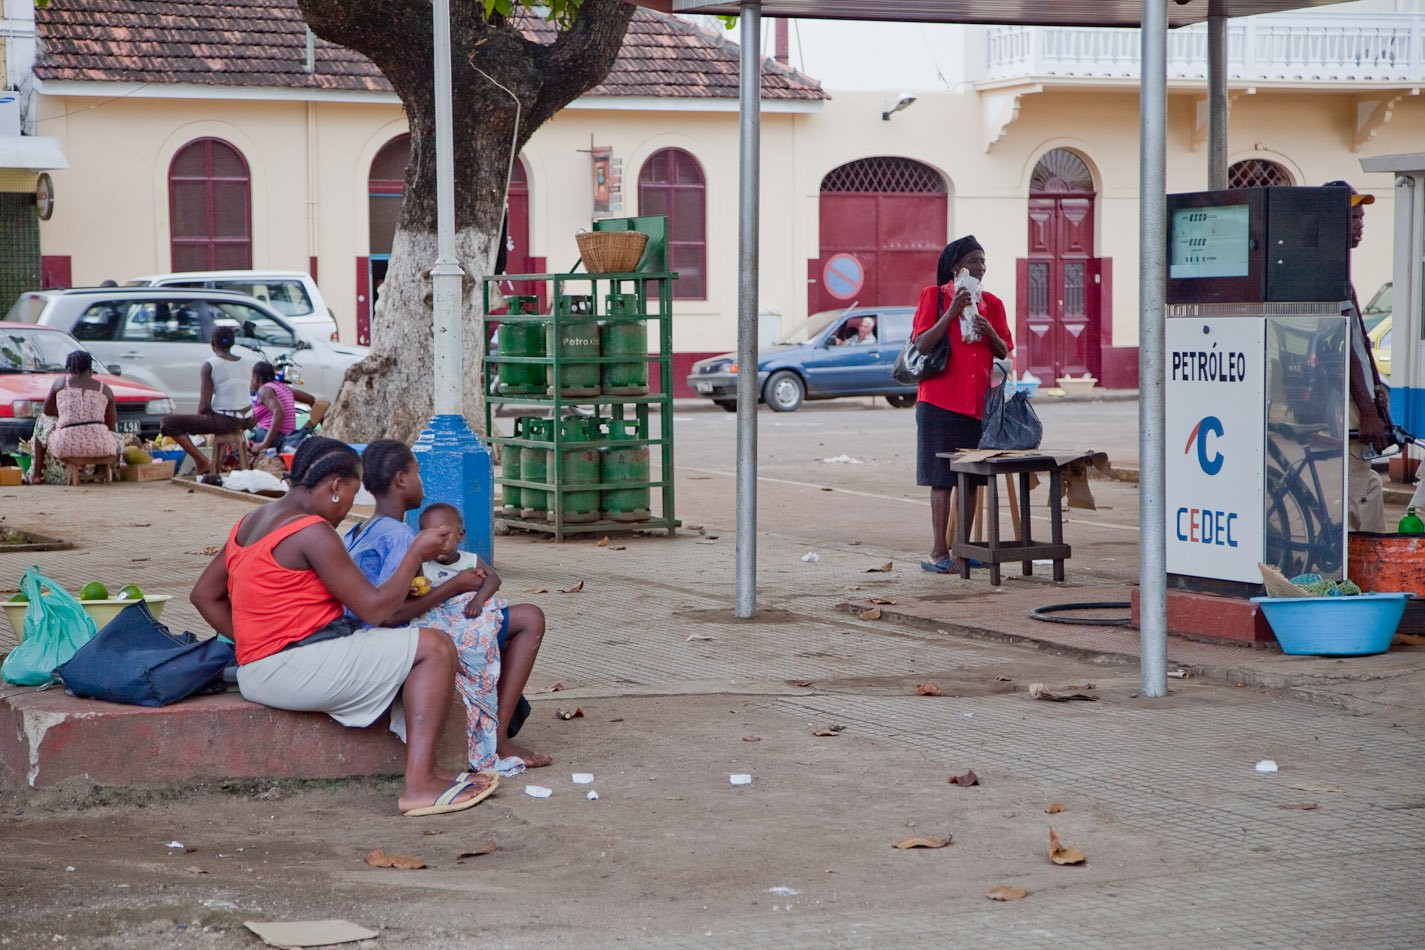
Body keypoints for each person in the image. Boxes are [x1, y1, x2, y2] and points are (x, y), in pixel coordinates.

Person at [189, 437, 496, 817]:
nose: (351, 505)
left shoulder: (250, 521)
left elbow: (203, 595)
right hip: (292, 668)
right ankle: (419, 785)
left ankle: (429, 773)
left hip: (256, 669)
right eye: (351, 493)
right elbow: (376, 609)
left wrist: (256, 640)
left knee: (411, 645)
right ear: (335, 486)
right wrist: (415, 553)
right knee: (436, 646)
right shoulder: (312, 531)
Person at [345, 440, 550, 771]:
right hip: (400, 639)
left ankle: (499, 724)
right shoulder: (400, 537)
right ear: (400, 479)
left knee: (499, 622)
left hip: (369, 636)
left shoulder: (359, 529)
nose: (422, 482)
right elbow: (389, 614)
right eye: (418, 473)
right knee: (530, 619)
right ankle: (496, 740)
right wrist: (453, 586)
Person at [911, 235, 1012, 573]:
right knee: (941, 478)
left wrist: (989, 332)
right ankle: (938, 552)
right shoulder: (933, 297)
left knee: (969, 479)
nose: (980, 267)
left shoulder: (993, 304)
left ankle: (963, 549)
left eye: (983, 261)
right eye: (973, 261)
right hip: (938, 402)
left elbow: (1003, 351)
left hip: (975, 404)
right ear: (956, 267)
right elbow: (922, 344)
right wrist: (952, 312)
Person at [1327, 181, 1388, 533]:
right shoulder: (1329, 276)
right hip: (1346, 409)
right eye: (1352, 217)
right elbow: (1344, 347)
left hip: (1353, 404)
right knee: (1359, 491)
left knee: (1365, 488)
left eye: (1361, 216)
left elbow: (1360, 344)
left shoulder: (1339, 274)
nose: (1360, 224)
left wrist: (1377, 392)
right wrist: (1367, 409)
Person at [159, 325, 253, 478]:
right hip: (249, 419)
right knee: (219, 419)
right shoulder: (243, 362)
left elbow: (204, 407)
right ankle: (213, 462)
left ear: (212, 343)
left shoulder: (210, 365)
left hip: (227, 421)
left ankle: (202, 461)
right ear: (232, 343)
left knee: (168, 422)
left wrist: (202, 420)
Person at [28, 350, 122, 483]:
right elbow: (111, 425)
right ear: (90, 368)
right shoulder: (105, 389)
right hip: (102, 446)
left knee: (41, 421)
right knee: (115, 436)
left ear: (70, 368)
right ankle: (108, 472)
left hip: (66, 444)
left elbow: (48, 413)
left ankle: (36, 475)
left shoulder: (60, 384)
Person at [247, 361, 314, 456]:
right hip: (288, 436)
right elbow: (311, 400)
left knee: (243, 434)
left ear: (257, 379)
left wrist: (265, 443)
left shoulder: (264, 390)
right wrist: (314, 422)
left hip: (270, 435)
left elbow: (279, 413)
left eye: (252, 377)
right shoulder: (284, 387)